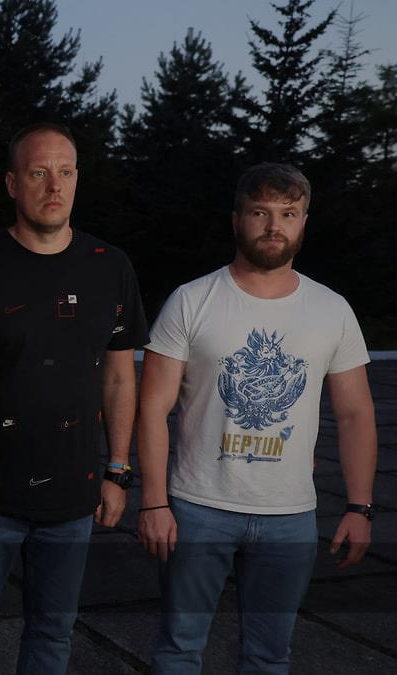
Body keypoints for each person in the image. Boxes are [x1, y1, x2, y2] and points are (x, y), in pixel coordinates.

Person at [137, 162, 377, 674]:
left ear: (303, 222)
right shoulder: (191, 300)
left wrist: (360, 506)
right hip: (197, 508)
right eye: (260, 212)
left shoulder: (332, 309)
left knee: (269, 657)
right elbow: (153, 407)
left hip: (290, 515)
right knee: (178, 650)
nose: (273, 225)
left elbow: (356, 413)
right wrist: (153, 501)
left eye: (287, 213)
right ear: (236, 220)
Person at [0, 122, 148, 674]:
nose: (54, 185)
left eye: (65, 172)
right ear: (12, 183)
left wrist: (118, 470)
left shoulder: (110, 266)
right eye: (38, 172)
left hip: (73, 498)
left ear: (77, 180)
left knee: (53, 635)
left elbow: (120, 376)